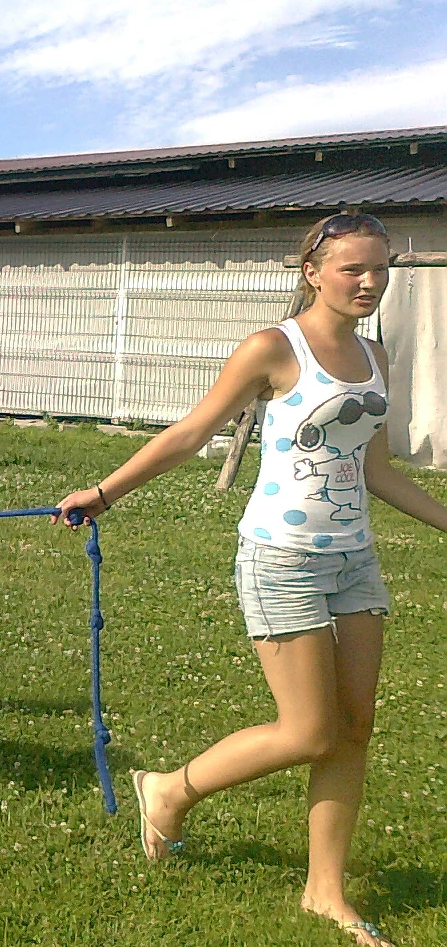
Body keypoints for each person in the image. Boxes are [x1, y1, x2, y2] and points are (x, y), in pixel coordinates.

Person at [53, 213, 447, 947]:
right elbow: (191, 432)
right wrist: (103, 492)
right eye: (353, 268)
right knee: (308, 728)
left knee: (353, 728)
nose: (370, 281)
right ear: (313, 272)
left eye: (381, 268)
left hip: (353, 558)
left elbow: (378, 471)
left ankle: (324, 889)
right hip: (282, 557)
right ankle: (169, 789)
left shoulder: (376, 355)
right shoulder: (274, 347)